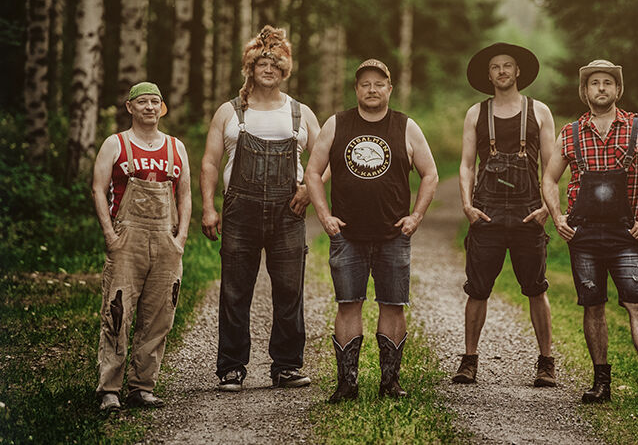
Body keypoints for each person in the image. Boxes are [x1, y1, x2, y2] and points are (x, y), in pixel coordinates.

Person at [542, 59, 638, 403]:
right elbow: (549, 179)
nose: (601, 88)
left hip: (626, 234)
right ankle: (601, 384)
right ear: (585, 91)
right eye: (594, 83)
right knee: (593, 306)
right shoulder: (570, 133)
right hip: (582, 235)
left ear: (617, 90)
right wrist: (557, 216)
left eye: (607, 83)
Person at [304, 59, 438, 402]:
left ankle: (389, 381)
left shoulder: (406, 126)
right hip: (347, 234)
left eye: (379, 83)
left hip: (394, 234)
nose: (372, 89)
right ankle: (347, 384)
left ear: (389, 89)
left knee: (393, 305)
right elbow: (313, 172)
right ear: (356, 89)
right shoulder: (337, 124)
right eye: (365, 84)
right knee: (348, 304)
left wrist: (416, 217)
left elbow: (430, 174)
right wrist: (324, 215)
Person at [200, 25, 321, 391]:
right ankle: (232, 368)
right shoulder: (229, 111)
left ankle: (286, 366)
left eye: (275, 63)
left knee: (289, 290)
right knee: (235, 291)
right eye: (261, 62)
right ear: (250, 68)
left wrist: (309, 191)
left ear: (285, 71)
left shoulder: (300, 113)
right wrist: (208, 208)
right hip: (240, 210)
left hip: (289, 212)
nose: (268, 68)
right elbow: (209, 162)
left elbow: (325, 158)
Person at [452, 43, 557, 387]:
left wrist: (547, 208)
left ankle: (546, 363)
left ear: (518, 71)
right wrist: (468, 206)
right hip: (487, 213)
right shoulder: (476, 114)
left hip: (529, 213)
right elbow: (467, 165)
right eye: (495, 67)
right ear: (489, 75)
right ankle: (469, 361)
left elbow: (552, 169)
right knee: (477, 289)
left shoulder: (539, 111)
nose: (501, 71)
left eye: (507, 65)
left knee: (536, 288)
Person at [92, 82, 191, 411]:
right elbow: (98, 188)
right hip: (127, 238)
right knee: (117, 312)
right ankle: (110, 388)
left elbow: (185, 195)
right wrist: (109, 234)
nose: (149, 107)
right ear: (130, 107)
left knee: (160, 315)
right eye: (142, 102)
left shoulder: (176, 147)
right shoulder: (115, 144)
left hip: (166, 238)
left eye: (155, 102)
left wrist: (181, 238)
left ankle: (142, 386)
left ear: (162, 108)